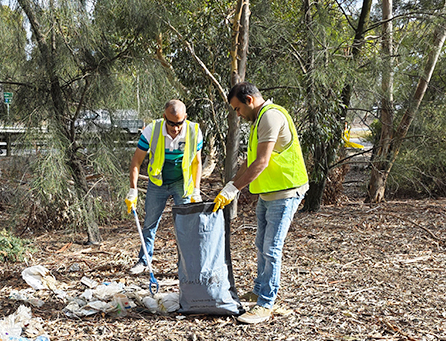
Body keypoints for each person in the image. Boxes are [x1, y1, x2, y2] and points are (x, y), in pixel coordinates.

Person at [213, 82, 309, 325]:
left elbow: (262, 162)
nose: (237, 114)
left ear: (248, 100)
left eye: (237, 109)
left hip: (286, 191)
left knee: (272, 248)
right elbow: (250, 161)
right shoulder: (258, 122)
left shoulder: (270, 117)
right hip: (268, 192)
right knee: (261, 244)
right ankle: (258, 291)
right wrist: (229, 184)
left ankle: (265, 304)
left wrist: (235, 189)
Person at [125, 100, 203, 275]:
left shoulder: (194, 132)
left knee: (184, 225)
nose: (175, 128)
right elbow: (136, 161)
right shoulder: (152, 131)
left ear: (185, 118)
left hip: (182, 183)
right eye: (171, 123)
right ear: (164, 117)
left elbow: (197, 163)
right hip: (158, 182)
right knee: (150, 223)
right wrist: (133, 189)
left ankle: (185, 265)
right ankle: (144, 261)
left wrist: (196, 190)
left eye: (179, 123)